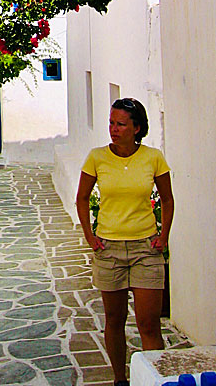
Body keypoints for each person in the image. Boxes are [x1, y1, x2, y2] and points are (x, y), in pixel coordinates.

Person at [76, 97, 174, 386]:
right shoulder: (97, 157)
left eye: (120, 124)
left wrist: (163, 236)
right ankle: (120, 379)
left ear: (137, 128)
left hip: (146, 249)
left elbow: (167, 199)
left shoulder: (153, 157)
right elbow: (82, 199)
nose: (114, 129)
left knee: (148, 324)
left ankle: (156, 380)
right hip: (109, 250)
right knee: (114, 322)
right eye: (111, 123)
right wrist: (90, 237)